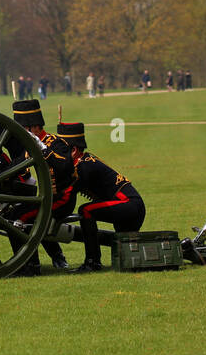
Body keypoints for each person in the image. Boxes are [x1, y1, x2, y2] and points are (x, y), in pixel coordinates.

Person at [55, 123, 145, 273]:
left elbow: (66, 193)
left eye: (62, 152)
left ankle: (92, 262)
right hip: (130, 205)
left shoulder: (83, 166)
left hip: (129, 205)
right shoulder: (84, 161)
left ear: (74, 150)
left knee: (86, 211)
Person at [11, 99, 74, 272]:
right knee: (17, 213)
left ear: (34, 127)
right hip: (46, 198)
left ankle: (31, 264)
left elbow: (65, 166)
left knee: (20, 218)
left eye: (24, 129)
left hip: (62, 197)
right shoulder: (27, 147)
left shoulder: (55, 143)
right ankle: (36, 260)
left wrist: (43, 150)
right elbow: (16, 169)